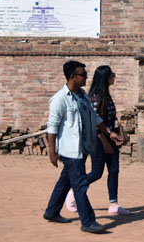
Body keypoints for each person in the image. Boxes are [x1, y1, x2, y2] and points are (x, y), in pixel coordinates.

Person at [43, 60, 123, 233]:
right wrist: (52, 151)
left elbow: (95, 119)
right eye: (83, 75)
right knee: (79, 185)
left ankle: (52, 211)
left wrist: (110, 133)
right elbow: (52, 127)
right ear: (72, 77)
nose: (87, 78)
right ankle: (88, 221)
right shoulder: (59, 99)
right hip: (69, 150)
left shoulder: (83, 96)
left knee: (65, 181)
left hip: (83, 148)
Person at [65, 65, 130, 216]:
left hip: (110, 137)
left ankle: (113, 204)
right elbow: (93, 123)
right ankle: (74, 192)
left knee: (114, 171)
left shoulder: (105, 95)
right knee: (96, 172)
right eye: (112, 75)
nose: (114, 77)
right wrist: (105, 141)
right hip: (99, 139)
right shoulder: (95, 98)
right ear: (106, 78)